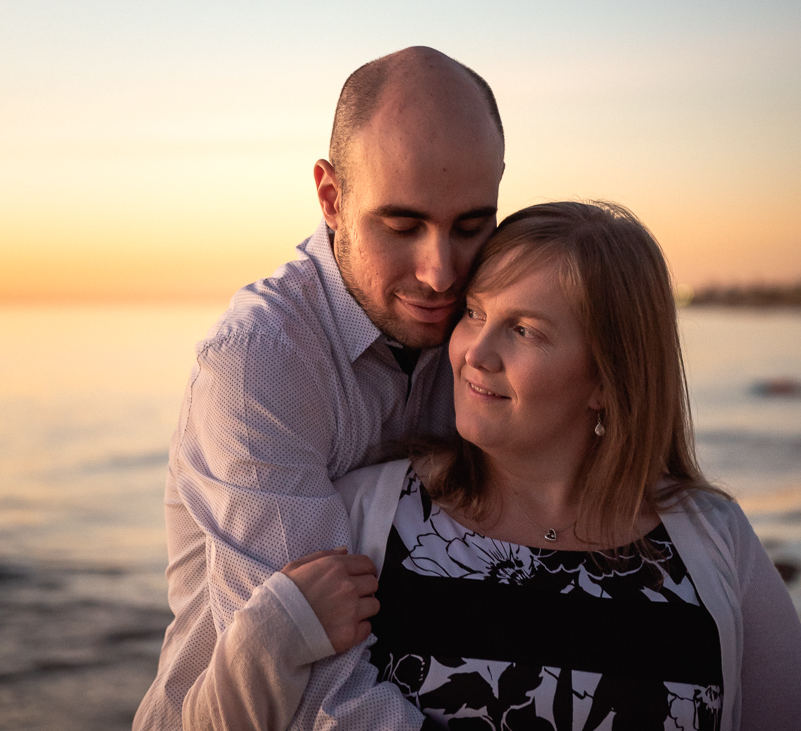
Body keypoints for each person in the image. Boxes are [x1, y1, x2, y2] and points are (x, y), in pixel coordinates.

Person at [192, 201, 801, 730]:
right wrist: (262, 639)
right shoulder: (366, 520)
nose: (475, 353)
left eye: (525, 331)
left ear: (607, 380)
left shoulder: (712, 539)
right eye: (476, 313)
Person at [134, 46, 506, 730]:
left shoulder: (484, 331)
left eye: (470, 226)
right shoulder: (258, 363)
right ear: (331, 199)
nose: (440, 273)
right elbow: (313, 691)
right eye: (402, 226)